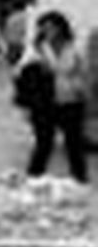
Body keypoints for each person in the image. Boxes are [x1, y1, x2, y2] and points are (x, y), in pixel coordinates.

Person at [17, 10, 89, 182]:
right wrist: (26, 106)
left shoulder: (74, 47)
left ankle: (80, 179)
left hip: (71, 101)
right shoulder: (35, 50)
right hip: (43, 104)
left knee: (74, 145)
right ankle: (32, 180)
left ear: (61, 28)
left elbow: (83, 72)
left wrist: (79, 87)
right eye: (44, 28)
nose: (48, 32)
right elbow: (21, 78)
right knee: (43, 144)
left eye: (51, 28)